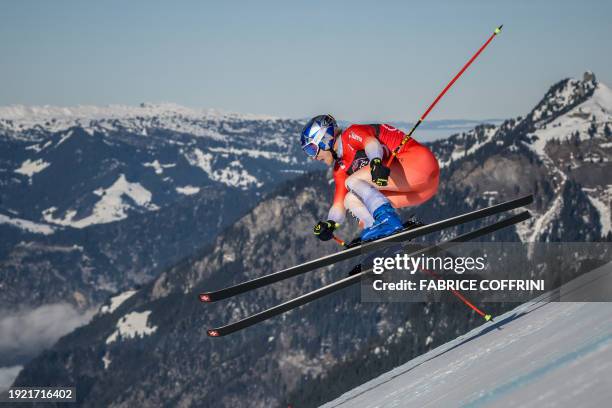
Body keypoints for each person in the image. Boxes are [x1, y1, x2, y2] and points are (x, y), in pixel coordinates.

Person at [300, 114, 439, 242]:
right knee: (350, 199)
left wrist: (376, 162)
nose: (314, 157)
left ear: (325, 138)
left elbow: (371, 143)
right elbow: (339, 204)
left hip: (420, 164)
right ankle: (378, 231)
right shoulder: (340, 169)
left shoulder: (350, 134)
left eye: (312, 149)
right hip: (421, 190)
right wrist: (330, 224)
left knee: (352, 181)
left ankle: (387, 222)